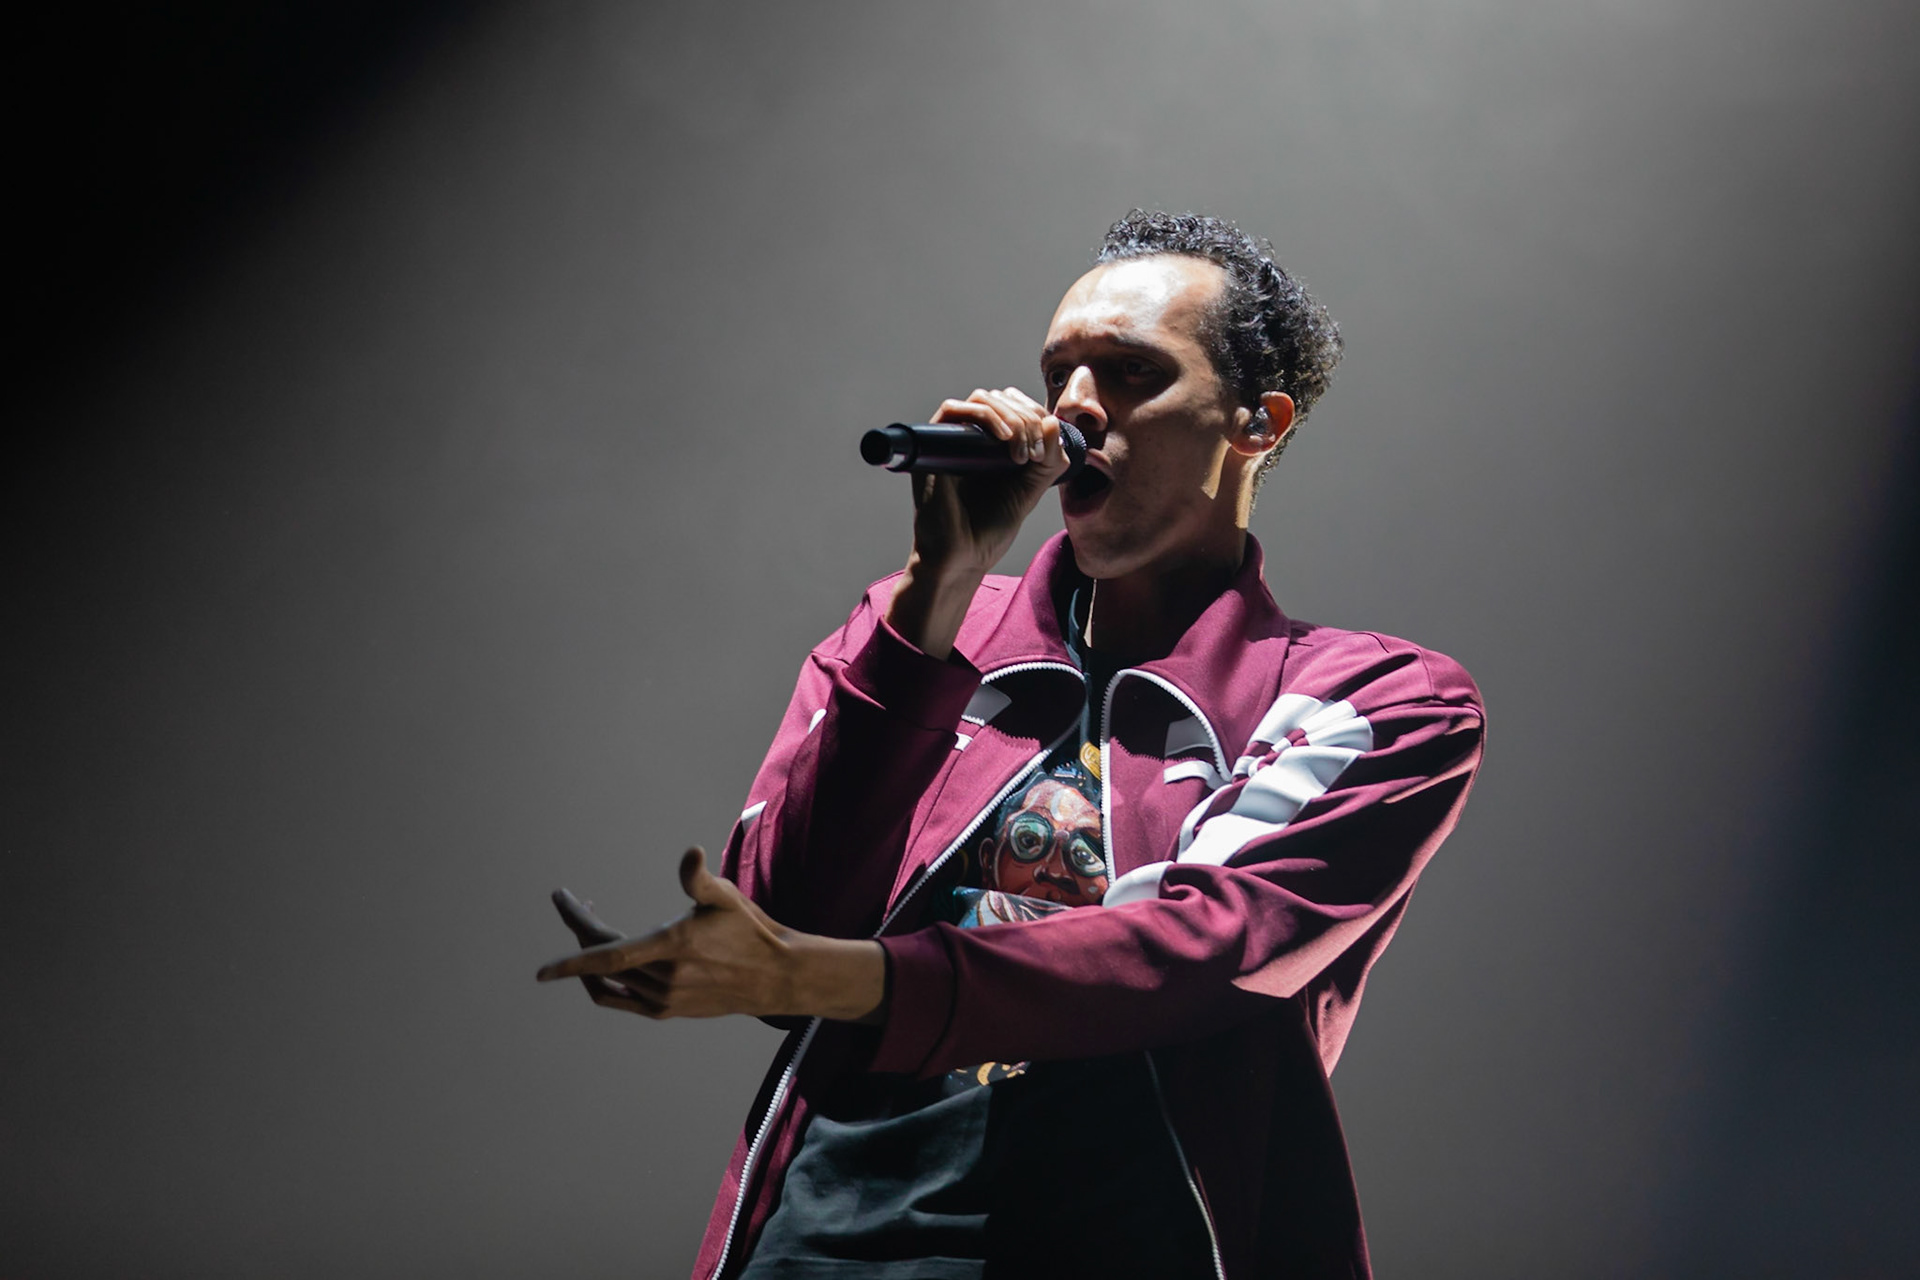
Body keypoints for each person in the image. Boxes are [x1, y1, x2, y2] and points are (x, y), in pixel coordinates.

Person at [537, 210, 1486, 1279]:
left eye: (1129, 372)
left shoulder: (1366, 696)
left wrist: (850, 978)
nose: (1075, 407)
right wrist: (931, 591)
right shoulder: (914, 630)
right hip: (822, 1249)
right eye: (1060, 372)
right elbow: (784, 923)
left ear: (1256, 424)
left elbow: (1199, 947)